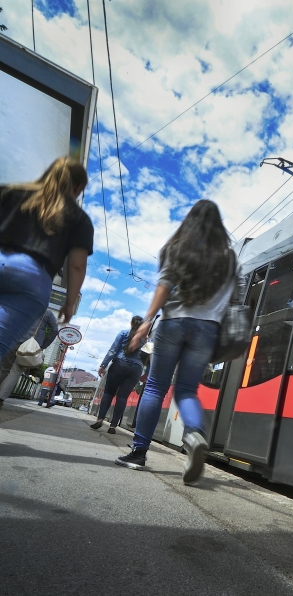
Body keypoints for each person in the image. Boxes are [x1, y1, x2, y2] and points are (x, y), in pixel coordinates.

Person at [116, 200, 236, 484]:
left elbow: (164, 285)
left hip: (173, 323)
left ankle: (138, 453)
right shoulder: (229, 257)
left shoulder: (178, 248)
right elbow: (233, 298)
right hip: (207, 328)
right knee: (187, 390)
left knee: (156, 386)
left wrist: (146, 321)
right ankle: (194, 434)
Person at [0, 158, 93, 361]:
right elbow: (77, 265)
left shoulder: (11, 191)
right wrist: (69, 303)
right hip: (32, 279)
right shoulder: (80, 218)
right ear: (77, 187)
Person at [90, 316, 145, 434]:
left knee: (109, 393)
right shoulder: (146, 339)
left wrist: (103, 365)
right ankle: (113, 426)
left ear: (131, 323)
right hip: (136, 369)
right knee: (122, 397)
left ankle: (100, 419)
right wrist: (148, 372)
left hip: (119, 364)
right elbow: (150, 356)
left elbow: (113, 350)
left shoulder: (123, 333)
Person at [0, 309, 58, 408]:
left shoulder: (26, 305)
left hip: (14, 339)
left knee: (3, 367)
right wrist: (43, 345)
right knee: (16, 371)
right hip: (31, 346)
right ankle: (1, 398)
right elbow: (55, 330)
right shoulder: (47, 313)